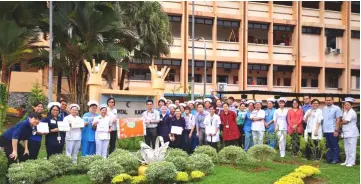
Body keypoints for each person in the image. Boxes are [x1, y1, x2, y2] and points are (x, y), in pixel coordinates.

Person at [322, 95, 342, 164]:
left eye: (329, 100)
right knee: (328, 145)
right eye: (327, 100)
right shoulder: (324, 108)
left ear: (333, 100)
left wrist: (336, 130)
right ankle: (329, 158)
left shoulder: (336, 108)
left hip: (333, 130)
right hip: (325, 130)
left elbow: (338, 120)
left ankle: (335, 159)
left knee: (334, 145)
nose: (328, 101)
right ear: (325, 101)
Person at [340, 97, 359, 167]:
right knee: (346, 148)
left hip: (352, 133)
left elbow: (346, 121)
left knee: (352, 148)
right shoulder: (345, 112)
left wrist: (341, 122)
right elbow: (343, 121)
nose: (346, 106)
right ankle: (347, 161)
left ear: (351, 105)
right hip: (346, 132)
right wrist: (342, 122)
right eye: (345, 105)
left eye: (348, 105)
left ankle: (352, 162)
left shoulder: (352, 112)